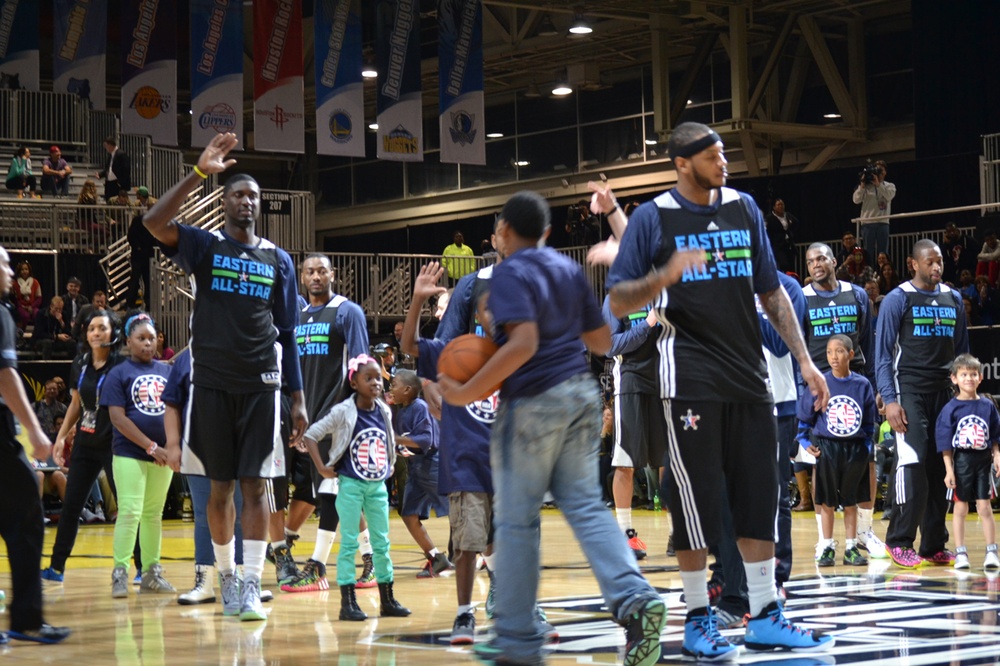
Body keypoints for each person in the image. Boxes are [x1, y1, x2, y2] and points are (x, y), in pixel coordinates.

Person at [606, 122, 833, 659]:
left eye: (724, 153)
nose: (724, 161)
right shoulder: (652, 218)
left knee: (759, 497)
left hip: (749, 378)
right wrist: (665, 276)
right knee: (697, 501)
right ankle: (695, 619)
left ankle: (764, 614)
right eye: (713, 155)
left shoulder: (744, 207)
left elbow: (771, 291)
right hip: (688, 379)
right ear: (682, 163)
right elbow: (617, 301)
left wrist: (805, 361)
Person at [440, 190, 669, 666]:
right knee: (586, 506)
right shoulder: (568, 270)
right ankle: (634, 599)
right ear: (546, 232)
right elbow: (603, 341)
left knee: (517, 521)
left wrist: (466, 391)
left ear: (504, 232)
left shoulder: (507, 273)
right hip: (581, 395)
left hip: (533, 403)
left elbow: (521, 344)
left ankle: (518, 639)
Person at [146, 132, 305, 622]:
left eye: (254, 195)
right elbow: (153, 222)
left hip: (262, 385)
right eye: (238, 193)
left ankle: (253, 584)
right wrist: (197, 173)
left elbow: (288, 333)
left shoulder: (278, 260)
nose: (248, 201)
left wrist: (297, 398)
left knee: (256, 487)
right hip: (211, 384)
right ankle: (226, 577)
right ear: (225, 201)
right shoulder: (204, 245)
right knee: (219, 488)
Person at [401, 258, 505, 646]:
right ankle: (464, 614)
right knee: (467, 542)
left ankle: (512, 600)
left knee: (507, 539)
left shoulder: (521, 349)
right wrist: (416, 300)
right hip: (466, 454)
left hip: (508, 457)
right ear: (475, 311)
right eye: (489, 307)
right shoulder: (459, 349)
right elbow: (410, 346)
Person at [876, 239, 969, 569]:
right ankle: (898, 539)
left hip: (945, 393)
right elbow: (883, 355)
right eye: (929, 262)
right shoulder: (897, 299)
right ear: (913, 264)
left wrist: (964, 398)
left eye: (940, 261)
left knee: (940, 467)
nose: (936, 266)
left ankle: (932, 543)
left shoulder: (954, 298)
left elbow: (962, 356)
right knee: (913, 462)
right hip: (909, 390)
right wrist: (889, 400)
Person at [281, 253, 370, 594]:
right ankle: (373, 559)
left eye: (321, 271)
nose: (315, 276)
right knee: (339, 492)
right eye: (309, 272)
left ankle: (317, 567)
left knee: (331, 492)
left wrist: (358, 412)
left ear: (332, 275)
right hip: (307, 418)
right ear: (302, 278)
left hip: (337, 416)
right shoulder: (298, 316)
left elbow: (361, 364)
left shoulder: (348, 311)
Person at [302, 354, 410, 622]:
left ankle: (387, 599)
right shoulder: (342, 411)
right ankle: (347, 603)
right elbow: (311, 435)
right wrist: (322, 467)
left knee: (382, 543)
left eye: (378, 378)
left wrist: (391, 463)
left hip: (377, 487)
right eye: (369, 378)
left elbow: (387, 438)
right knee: (349, 542)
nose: (376, 383)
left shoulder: (384, 409)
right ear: (353, 383)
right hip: (350, 485)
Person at [0, 244, 71, 645]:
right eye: (5, 264)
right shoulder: (0, 313)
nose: (11, 271)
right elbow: (6, 377)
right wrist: (37, 432)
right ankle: (26, 620)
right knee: (27, 515)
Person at [802, 242, 886, 559]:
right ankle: (825, 540)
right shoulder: (802, 297)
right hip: (821, 389)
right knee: (820, 459)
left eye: (822, 258)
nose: (816, 264)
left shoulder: (857, 295)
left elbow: (866, 342)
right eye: (810, 261)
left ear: (835, 261)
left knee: (866, 459)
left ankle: (864, 532)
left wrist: (877, 387)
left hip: (856, 384)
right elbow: (799, 343)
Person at [41, 308, 134, 583]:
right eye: (92, 328)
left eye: (102, 328)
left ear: (113, 332)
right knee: (71, 505)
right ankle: (56, 568)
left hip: (113, 444)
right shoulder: (80, 363)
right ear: (85, 332)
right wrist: (60, 438)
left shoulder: (121, 365)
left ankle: (141, 568)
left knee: (128, 507)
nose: (96, 332)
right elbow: (75, 405)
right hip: (85, 442)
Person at [101, 312, 175, 597]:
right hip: (131, 453)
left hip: (164, 455)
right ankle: (120, 572)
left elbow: (176, 412)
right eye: (141, 338)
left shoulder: (167, 371)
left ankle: (151, 573)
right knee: (130, 512)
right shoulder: (118, 373)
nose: (147, 344)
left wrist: (171, 448)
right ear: (128, 341)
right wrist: (151, 447)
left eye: (151, 338)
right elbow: (118, 419)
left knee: (153, 514)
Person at [797, 335, 877, 567]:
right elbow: (805, 418)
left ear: (851, 355)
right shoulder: (820, 381)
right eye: (830, 352)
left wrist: (866, 446)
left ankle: (852, 547)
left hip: (854, 449)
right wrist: (804, 442)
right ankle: (827, 545)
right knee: (827, 502)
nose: (833, 356)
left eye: (839, 351)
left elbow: (870, 423)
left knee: (850, 500)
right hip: (827, 448)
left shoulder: (862, 384)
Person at [936, 354, 1000, 571]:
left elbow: (995, 436)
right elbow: (945, 443)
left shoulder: (988, 406)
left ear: (980, 377)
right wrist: (948, 470)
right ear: (954, 378)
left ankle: (991, 550)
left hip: (983, 461)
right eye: (964, 374)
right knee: (960, 507)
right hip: (961, 460)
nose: (969, 378)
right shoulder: (951, 408)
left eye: (973, 374)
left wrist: (997, 456)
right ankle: (960, 552)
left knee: (984, 507)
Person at [391, 370, 452, 577]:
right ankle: (436, 558)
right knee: (408, 514)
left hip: (433, 465)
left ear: (407, 390)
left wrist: (396, 440)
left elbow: (426, 440)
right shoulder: (402, 411)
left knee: (457, 512)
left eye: (395, 384)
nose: (391, 387)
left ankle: (484, 554)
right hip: (416, 468)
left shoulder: (419, 408)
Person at [852, 159, 896, 260]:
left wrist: (878, 184)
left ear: (885, 172)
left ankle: (883, 273)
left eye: (881, 170)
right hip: (868, 222)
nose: (879, 172)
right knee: (868, 252)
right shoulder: (866, 187)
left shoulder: (890, 186)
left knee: (883, 252)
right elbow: (856, 200)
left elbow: (889, 196)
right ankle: (869, 272)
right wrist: (862, 185)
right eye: (877, 170)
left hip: (883, 222)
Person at [764, 198, 798, 273]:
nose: (781, 206)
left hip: (789, 245)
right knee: (784, 265)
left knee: (791, 266)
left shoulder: (788, 215)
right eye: (778, 205)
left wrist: (791, 234)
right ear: (774, 207)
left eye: (782, 204)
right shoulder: (769, 218)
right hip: (778, 246)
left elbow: (796, 223)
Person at [97, 136, 131, 203]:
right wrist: (100, 174)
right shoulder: (111, 155)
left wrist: (121, 182)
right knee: (109, 201)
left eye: (106, 146)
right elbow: (108, 169)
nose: (105, 148)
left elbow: (126, 169)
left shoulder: (121, 154)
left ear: (110, 145)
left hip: (117, 184)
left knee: (117, 203)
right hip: (110, 184)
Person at [13, 260, 42, 330]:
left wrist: (31, 306)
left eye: (26, 269)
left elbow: (39, 298)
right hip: (21, 306)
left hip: (33, 306)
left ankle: (37, 333)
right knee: (25, 316)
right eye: (22, 269)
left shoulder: (35, 282)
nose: (24, 271)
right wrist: (22, 306)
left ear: (29, 270)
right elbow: (14, 299)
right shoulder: (15, 283)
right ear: (19, 271)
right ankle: (22, 333)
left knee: (37, 313)